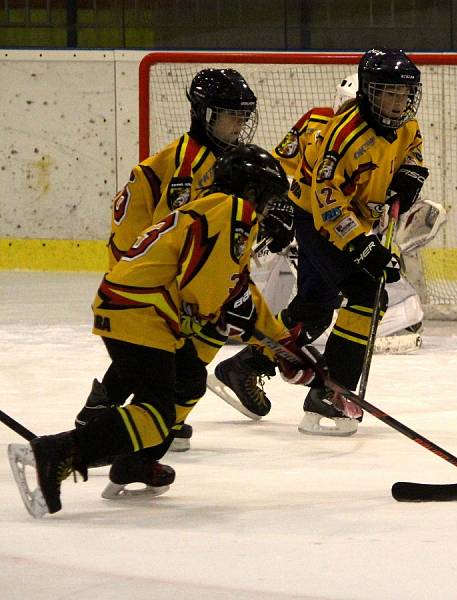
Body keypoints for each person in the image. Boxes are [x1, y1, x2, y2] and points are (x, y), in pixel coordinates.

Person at [8, 145, 317, 517]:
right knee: (156, 412)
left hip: (136, 308)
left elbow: (237, 287)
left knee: (188, 382)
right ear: (251, 192)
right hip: (141, 312)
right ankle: (58, 453)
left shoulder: (211, 209)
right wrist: (224, 314)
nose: (269, 209)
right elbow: (205, 292)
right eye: (267, 198)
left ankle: (135, 463)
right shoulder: (236, 210)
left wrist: (282, 345)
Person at [211, 71, 439, 421]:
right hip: (321, 223)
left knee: (315, 309)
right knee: (360, 295)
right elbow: (284, 170)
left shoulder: (395, 126)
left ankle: (247, 366)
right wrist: (281, 209)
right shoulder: (324, 127)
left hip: (344, 225)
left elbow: (403, 155)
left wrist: (408, 176)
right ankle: (329, 389)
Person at [75, 68, 264, 453]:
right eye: (232, 116)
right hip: (143, 273)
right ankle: (105, 413)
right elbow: (175, 231)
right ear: (204, 113)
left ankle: (150, 416)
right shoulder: (188, 167)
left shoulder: (218, 161)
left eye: (244, 117)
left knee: (190, 339)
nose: (239, 126)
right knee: (158, 345)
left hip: (156, 269)